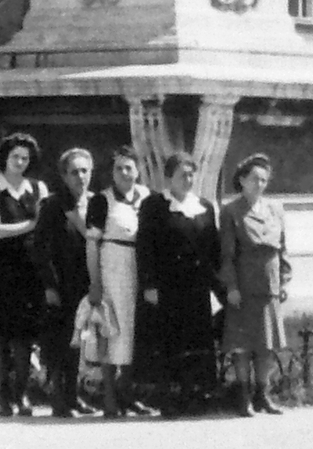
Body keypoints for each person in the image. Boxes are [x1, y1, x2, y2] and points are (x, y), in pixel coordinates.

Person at [137, 150, 220, 417]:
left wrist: (218, 286)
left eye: (191, 174)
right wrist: (149, 284)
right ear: (169, 177)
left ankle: (192, 394)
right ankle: (167, 397)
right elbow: (145, 246)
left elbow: (213, 249)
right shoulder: (154, 205)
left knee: (195, 340)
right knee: (169, 340)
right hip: (167, 285)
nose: (188, 179)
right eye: (183, 174)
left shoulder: (205, 206)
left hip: (197, 286)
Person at [0, 132, 48, 417]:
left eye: (25, 158)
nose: (19, 162)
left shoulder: (38, 188)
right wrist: (32, 224)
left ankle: (22, 392)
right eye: (14, 156)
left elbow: (46, 226)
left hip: (29, 267)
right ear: (4, 158)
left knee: (25, 336)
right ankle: (4, 393)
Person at [84, 145, 156, 418]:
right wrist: (95, 282)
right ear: (111, 173)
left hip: (142, 268)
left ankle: (129, 393)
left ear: (138, 170)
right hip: (114, 269)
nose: (125, 173)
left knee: (136, 332)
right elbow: (92, 245)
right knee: (112, 330)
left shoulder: (149, 198)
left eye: (129, 167)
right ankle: (110, 397)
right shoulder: (102, 201)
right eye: (119, 168)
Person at [219, 153, 291, 417]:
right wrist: (232, 287)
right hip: (244, 286)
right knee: (242, 345)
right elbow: (226, 255)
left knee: (267, 345)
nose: (259, 184)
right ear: (242, 180)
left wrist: (284, 279)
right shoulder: (231, 211)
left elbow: (283, 249)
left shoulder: (276, 210)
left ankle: (263, 394)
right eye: (254, 179)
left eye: (263, 180)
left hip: (269, 285)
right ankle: (243, 396)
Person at [30, 147, 99, 418]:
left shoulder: (96, 204)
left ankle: (74, 396)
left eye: (85, 171)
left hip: (86, 282)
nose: (80, 177)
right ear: (64, 175)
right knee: (60, 342)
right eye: (74, 172)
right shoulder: (53, 205)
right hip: (61, 283)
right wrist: (49, 285)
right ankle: (59, 398)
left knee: (79, 341)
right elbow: (40, 248)